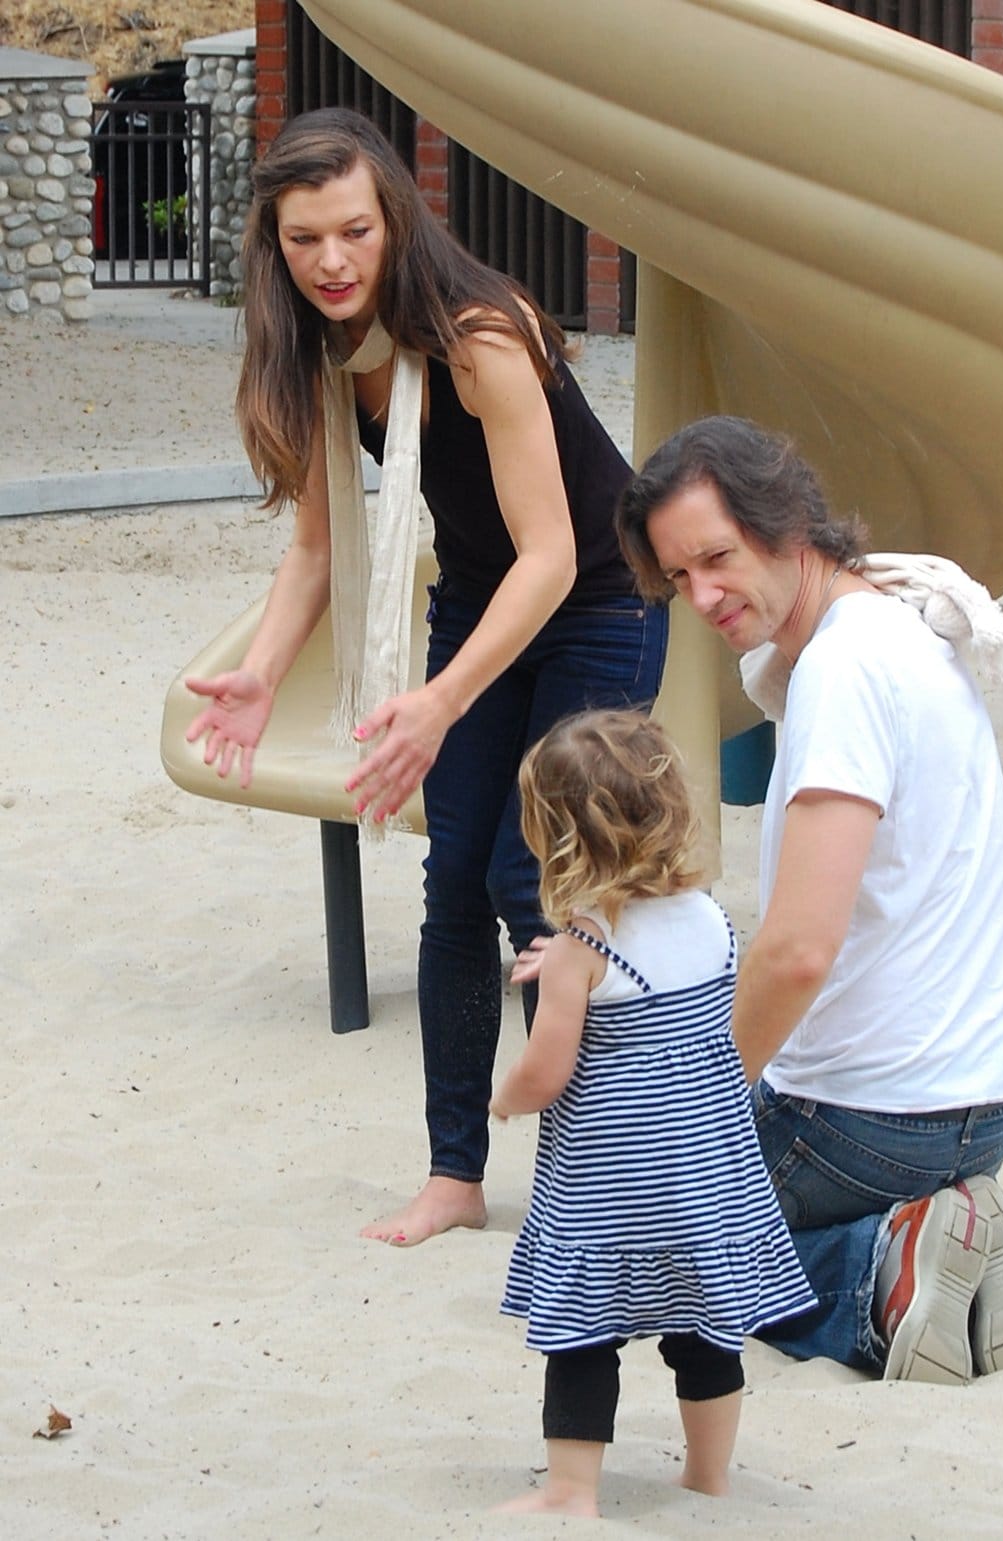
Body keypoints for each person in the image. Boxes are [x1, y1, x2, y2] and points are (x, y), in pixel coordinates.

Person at [182, 108, 667, 1247]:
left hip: (596, 600)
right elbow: (314, 549)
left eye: (354, 230)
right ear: (276, 245)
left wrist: (440, 701)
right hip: (479, 601)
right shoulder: (314, 353)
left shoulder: (478, 335)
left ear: (395, 219)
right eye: (305, 241)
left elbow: (551, 551)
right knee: (455, 879)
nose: (333, 262)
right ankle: (456, 1174)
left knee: (531, 867)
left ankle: (619, 1136)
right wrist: (258, 673)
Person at [613, 415, 1003, 1384]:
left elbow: (795, 951)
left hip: (867, 1119)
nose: (700, 594)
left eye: (716, 558)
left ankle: (881, 1272)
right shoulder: (900, 629)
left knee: (641, 1244)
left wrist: (693, 1104)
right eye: (678, 575)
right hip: (987, 1105)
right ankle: (974, 1265)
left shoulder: (841, 670)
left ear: (785, 525)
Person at [490, 709, 815, 1516]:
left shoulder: (583, 951)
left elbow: (549, 1069)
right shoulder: (710, 918)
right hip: (708, 1179)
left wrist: (505, 1096)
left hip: (610, 1185)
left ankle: (570, 1491)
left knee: (582, 1337)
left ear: (556, 834)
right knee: (705, 1336)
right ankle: (707, 1475)